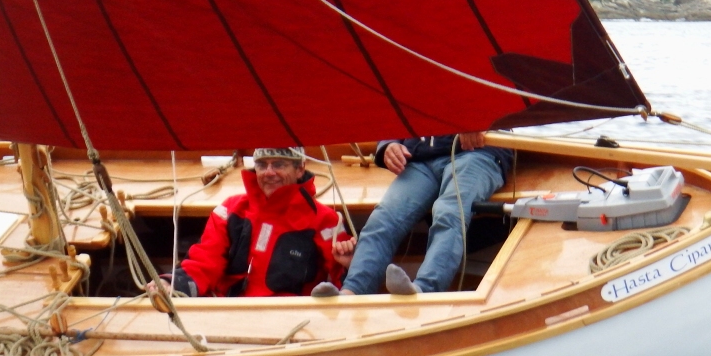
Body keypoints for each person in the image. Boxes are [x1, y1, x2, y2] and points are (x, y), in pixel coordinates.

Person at [312, 132, 513, 296]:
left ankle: (425, 290)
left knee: (448, 212)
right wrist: (389, 144)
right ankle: (352, 291)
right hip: (422, 160)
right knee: (384, 218)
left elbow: (509, 96)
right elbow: (395, 111)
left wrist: (479, 123)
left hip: (477, 153)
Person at [147, 148, 355, 300]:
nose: (269, 172)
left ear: (300, 169)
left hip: (290, 319)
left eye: (279, 164)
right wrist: (171, 284)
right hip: (228, 313)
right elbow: (205, 261)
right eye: (262, 165)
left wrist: (348, 264)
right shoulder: (230, 210)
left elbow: (343, 282)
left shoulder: (325, 220)